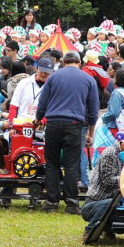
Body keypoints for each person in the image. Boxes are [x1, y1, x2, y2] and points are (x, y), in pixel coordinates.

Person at [33, 51, 99, 214]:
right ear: (79, 63)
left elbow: (42, 103)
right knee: (71, 164)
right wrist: (90, 133)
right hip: (74, 125)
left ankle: (52, 201)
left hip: (53, 123)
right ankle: (71, 203)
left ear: (63, 63)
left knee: (52, 163)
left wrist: (37, 120)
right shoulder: (88, 79)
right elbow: (93, 110)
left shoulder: (54, 77)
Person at [81, 127, 124, 242]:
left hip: (114, 204)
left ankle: (106, 229)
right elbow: (108, 181)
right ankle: (89, 231)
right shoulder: (110, 153)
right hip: (95, 203)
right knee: (110, 203)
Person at [9, 57, 53, 121]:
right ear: (36, 68)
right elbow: (14, 105)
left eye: (46, 72)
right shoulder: (24, 83)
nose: (43, 74)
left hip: (40, 125)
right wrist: (11, 125)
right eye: (41, 71)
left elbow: (52, 110)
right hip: (21, 122)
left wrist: (42, 122)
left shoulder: (52, 87)